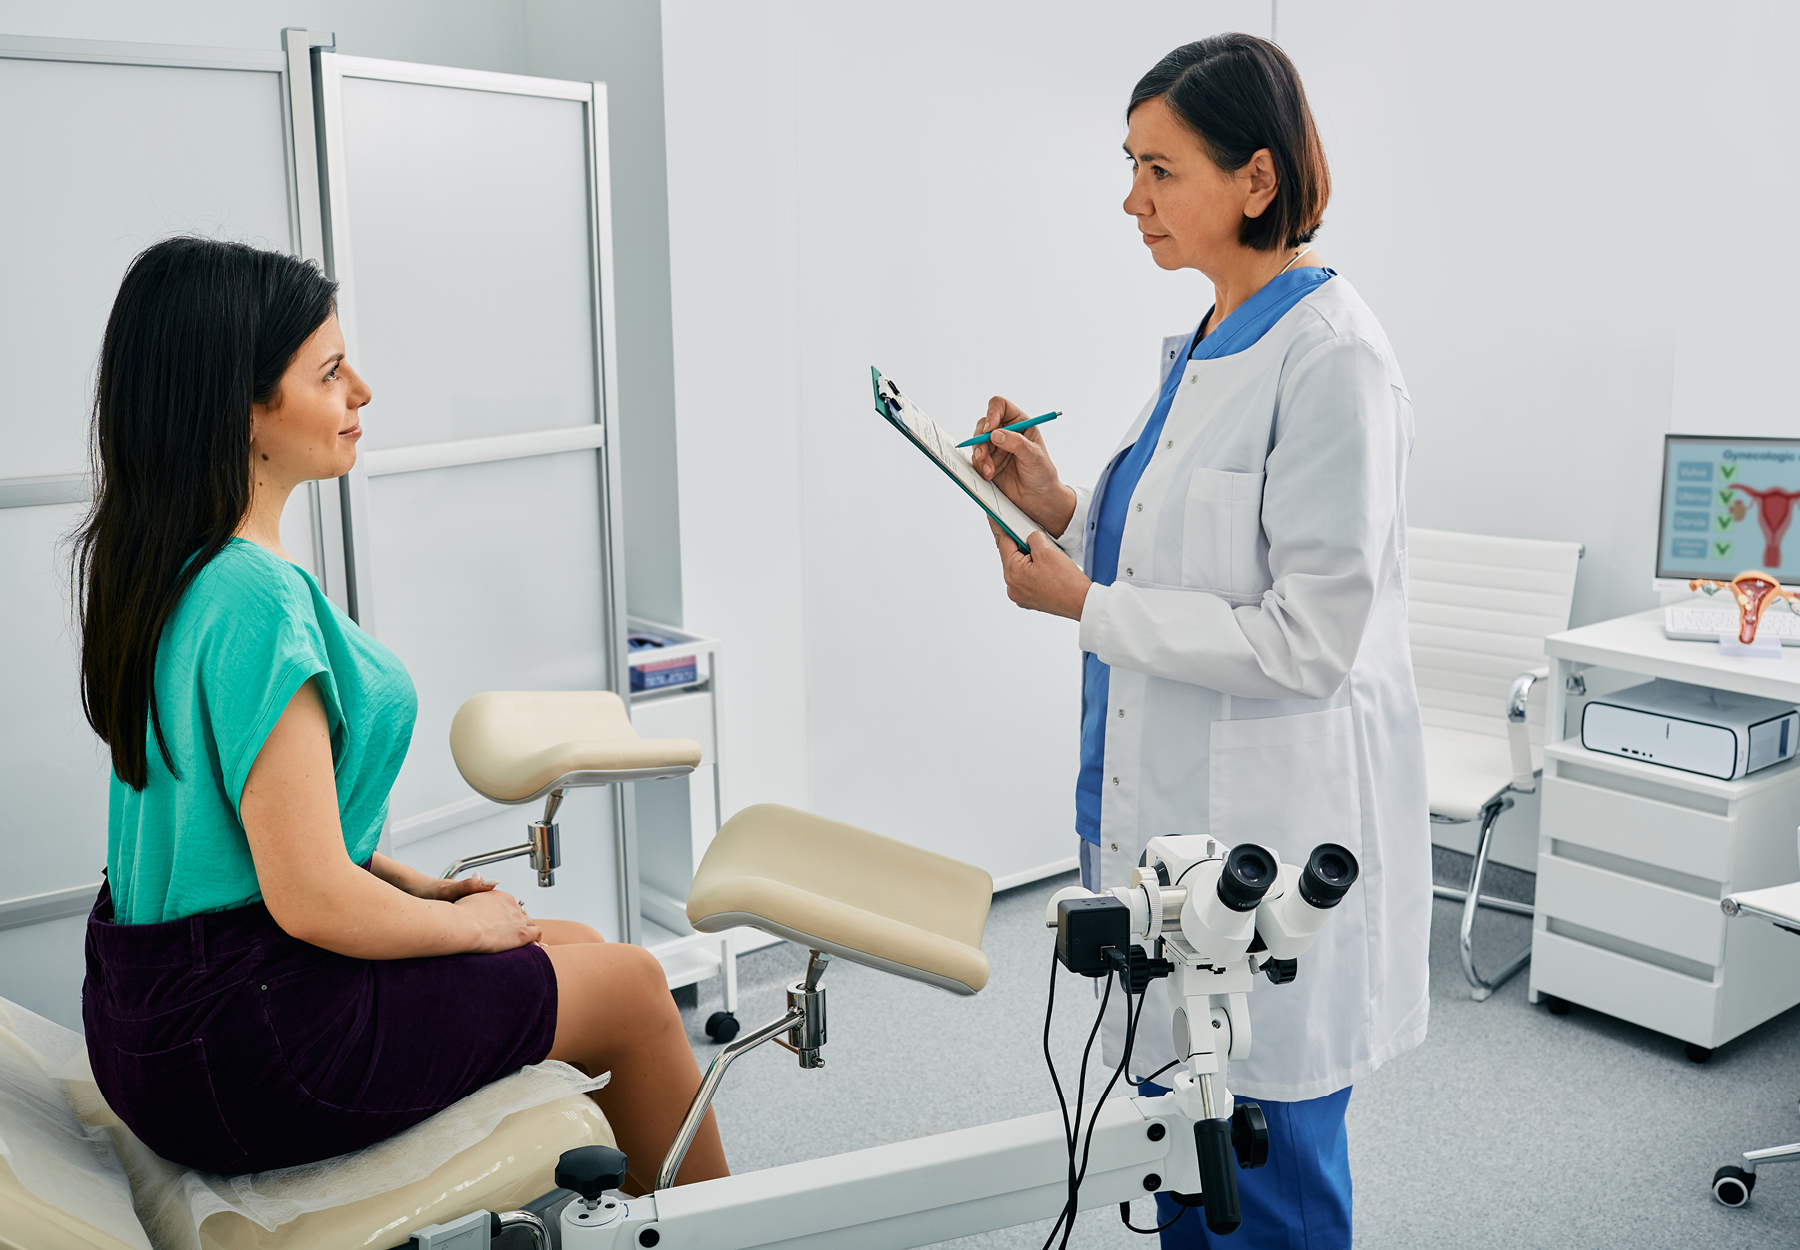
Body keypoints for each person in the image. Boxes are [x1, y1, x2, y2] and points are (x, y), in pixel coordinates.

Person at [74, 236, 726, 1192]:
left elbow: (256, 837)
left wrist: (426, 892)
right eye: (331, 372)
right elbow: (310, 897)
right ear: (244, 410)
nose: (363, 393)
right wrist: (471, 930)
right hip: (252, 1036)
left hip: (148, 1021)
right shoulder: (253, 598)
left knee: (577, 948)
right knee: (632, 990)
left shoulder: (165, 572)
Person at [970, 35, 1429, 1249]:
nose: (1132, 199)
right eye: (1132, 165)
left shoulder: (1332, 359)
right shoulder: (1210, 343)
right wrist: (1061, 504)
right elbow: (1175, 553)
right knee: (1183, 1151)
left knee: (1258, 1173)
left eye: (1159, 169)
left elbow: (1311, 639)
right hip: (1170, 827)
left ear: (1257, 180)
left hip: (1264, 843)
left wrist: (1086, 606)